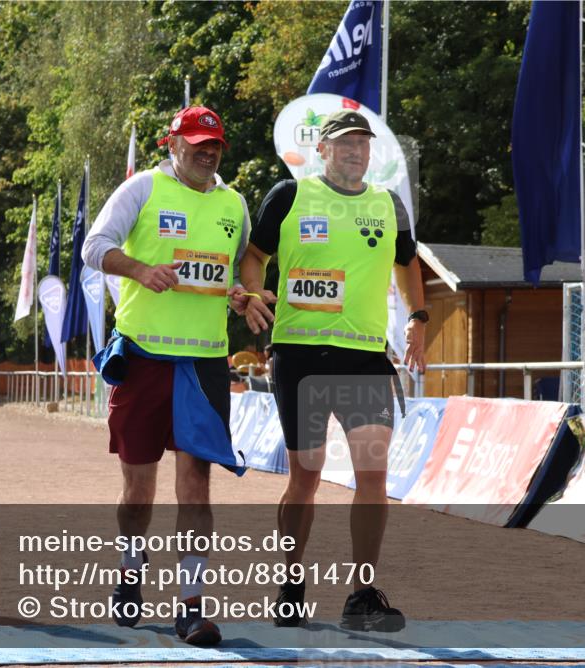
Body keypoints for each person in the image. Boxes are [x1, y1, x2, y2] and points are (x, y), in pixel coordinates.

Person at [240, 109, 427, 632]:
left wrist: (418, 318)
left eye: (362, 143)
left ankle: (361, 594)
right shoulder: (290, 195)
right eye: (344, 143)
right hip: (300, 355)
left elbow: (407, 261)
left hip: (366, 357)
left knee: (374, 476)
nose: (355, 151)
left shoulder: (388, 205)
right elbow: (254, 254)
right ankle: (292, 583)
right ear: (322, 149)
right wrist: (254, 293)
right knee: (307, 474)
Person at [82, 105, 250, 646]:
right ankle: (132, 565)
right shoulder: (141, 190)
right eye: (197, 142)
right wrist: (138, 269)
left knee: (196, 484)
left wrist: (242, 295)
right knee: (138, 483)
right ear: (171, 145)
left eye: (215, 143)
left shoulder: (234, 204)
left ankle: (191, 606)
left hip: (204, 363)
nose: (207, 151)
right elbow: (92, 247)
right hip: (144, 356)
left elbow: (236, 269)